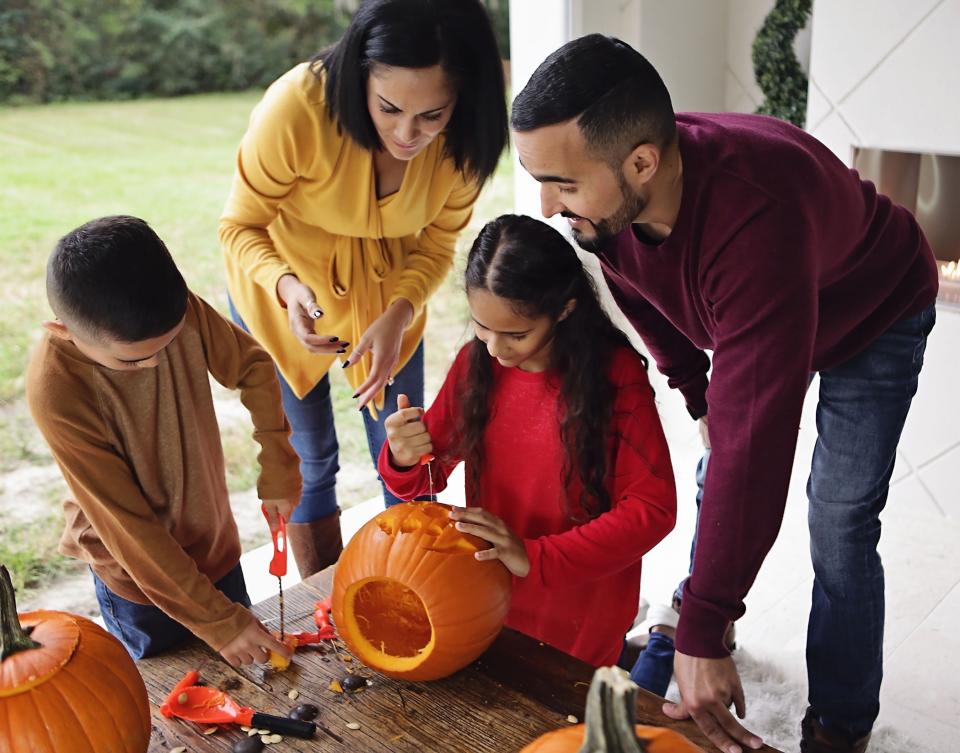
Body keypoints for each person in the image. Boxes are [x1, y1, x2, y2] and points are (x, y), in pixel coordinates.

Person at [510, 34, 938, 753]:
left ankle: (841, 720)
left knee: (838, 519)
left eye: (562, 182)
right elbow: (642, 296)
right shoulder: (608, 206)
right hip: (781, 301)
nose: (548, 205)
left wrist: (703, 629)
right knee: (719, 464)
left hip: (876, 309)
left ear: (642, 161)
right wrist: (698, 393)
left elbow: (756, 454)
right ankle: (705, 616)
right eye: (538, 178)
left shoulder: (753, 227)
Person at [219, 0, 508, 578]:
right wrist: (287, 288)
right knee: (309, 456)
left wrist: (400, 311)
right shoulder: (296, 108)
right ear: (360, 76)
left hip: (391, 300)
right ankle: (324, 596)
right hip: (284, 289)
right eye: (389, 108)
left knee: (403, 451)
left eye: (432, 115)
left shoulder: (466, 142)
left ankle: (411, 587)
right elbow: (239, 227)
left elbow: (436, 245)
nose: (408, 134)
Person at [377, 214, 677, 667]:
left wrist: (535, 556)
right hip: (492, 595)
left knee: (585, 720)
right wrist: (403, 457)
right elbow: (424, 476)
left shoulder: (615, 378)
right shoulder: (477, 364)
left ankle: (665, 638)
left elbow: (652, 510)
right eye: (481, 326)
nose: (495, 347)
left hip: (582, 607)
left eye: (516, 334)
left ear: (565, 310)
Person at [26, 216, 302, 666]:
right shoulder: (56, 391)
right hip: (138, 581)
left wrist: (279, 466)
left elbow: (252, 366)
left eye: (168, 345)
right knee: (173, 703)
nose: (156, 363)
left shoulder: (176, 311)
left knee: (256, 682)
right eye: (134, 360)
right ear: (65, 332)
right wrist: (218, 622)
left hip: (216, 548)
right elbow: (129, 529)